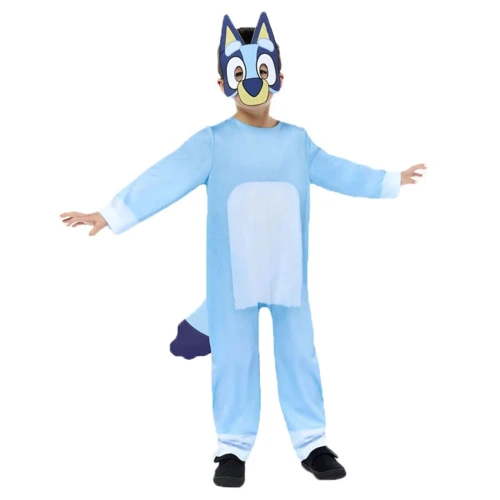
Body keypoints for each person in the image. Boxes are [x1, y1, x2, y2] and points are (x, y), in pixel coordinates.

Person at [60, 12, 426, 488]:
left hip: (288, 273)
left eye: (261, 70)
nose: (252, 81)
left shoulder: (297, 142)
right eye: (239, 72)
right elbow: (165, 177)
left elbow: (340, 171)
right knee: (235, 358)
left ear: (279, 76)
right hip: (231, 277)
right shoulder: (213, 143)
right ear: (222, 83)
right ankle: (232, 447)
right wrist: (110, 213)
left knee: (299, 353)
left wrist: (390, 180)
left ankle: (311, 442)